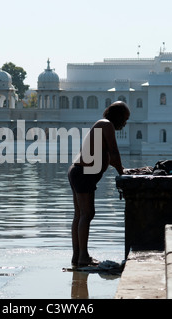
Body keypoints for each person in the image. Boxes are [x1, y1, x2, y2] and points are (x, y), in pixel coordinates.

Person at [68, 101, 130, 267]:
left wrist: (124, 169)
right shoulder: (106, 125)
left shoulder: (102, 125)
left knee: (80, 215)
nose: (125, 123)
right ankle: (83, 257)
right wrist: (123, 175)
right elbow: (114, 153)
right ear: (118, 116)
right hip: (83, 173)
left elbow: (105, 157)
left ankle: (77, 257)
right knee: (86, 214)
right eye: (125, 119)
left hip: (78, 171)